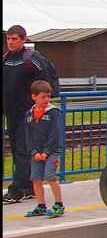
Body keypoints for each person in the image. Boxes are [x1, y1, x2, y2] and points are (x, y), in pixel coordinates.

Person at [4, 25, 56, 204]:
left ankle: (17, 190)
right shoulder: (6, 59)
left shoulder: (32, 59)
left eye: (14, 39)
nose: (10, 42)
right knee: (20, 149)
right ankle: (28, 187)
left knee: (22, 151)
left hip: (27, 114)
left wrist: (38, 108)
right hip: (11, 112)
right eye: (8, 39)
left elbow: (44, 85)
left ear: (24, 40)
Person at [22, 79, 65, 218]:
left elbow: (55, 135)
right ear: (34, 97)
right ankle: (40, 205)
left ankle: (59, 204)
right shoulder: (29, 114)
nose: (47, 99)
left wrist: (46, 152)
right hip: (37, 153)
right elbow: (28, 135)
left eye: (48, 96)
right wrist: (33, 152)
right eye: (43, 97)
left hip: (51, 151)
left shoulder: (52, 113)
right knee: (35, 178)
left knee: (50, 177)